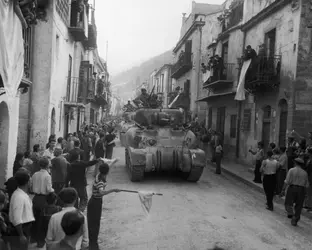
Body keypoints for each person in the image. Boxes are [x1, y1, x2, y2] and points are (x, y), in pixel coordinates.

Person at [87, 161, 120, 250]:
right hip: (95, 203)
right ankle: (93, 246)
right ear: (107, 171)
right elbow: (101, 192)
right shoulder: (100, 180)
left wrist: (114, 161)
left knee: (93, 224)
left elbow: (107, 166)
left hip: (94, 202)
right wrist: (113, 190)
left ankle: (93, 244)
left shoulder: (99, 174)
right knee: (94, 225)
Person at [31, 156, 55, 247]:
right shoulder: (47, 176)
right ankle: (40, 241)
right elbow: (49, 189)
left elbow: (31, 187)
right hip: (44, 199)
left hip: (35, 198)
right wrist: (53, 190)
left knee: (35, 219)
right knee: (42, 221)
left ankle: (33, 238)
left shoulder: (34, 174)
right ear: (47, 165)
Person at [9, 170, 35, 250]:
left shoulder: (22, 194)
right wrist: (21, 235)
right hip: (20, 230)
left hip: (24, 228)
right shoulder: (19, 197)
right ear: (28, 182)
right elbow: (17, 218)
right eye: (30, 180)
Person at [281, 158, 309, 226]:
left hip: (292, 188)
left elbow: (287, 181)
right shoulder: (305, 173)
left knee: (288, 203)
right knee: (299, 206)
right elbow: (307, 185)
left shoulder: (291, 170)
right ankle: (295, 219)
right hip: (301, 190)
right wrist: (305, 193)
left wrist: (283, 189)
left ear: (295, 163)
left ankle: (291, 214)